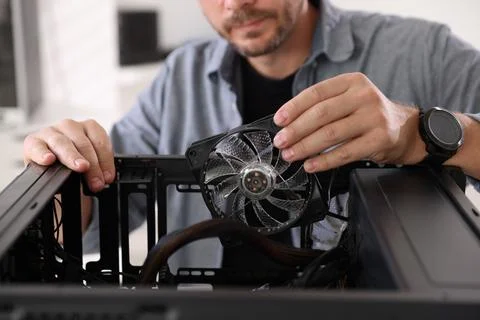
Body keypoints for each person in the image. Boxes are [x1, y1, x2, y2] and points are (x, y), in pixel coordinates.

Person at [23, 0, 480, 270]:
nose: (234, 3)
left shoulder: (424, 53)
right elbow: (90, 227)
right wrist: (63, 166)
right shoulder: (180, 77)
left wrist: (419, 133)